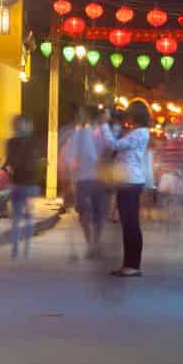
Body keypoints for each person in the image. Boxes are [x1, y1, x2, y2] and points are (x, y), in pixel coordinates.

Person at [108, 101, 152, 278]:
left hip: (130, 181)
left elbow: (114, 145)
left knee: (130, 224)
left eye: (128, 114)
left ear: (135, 115)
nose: (127, 117)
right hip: (129, 180)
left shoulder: (139, 133)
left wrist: (106, 125)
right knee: (128, 224)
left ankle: (132, 265)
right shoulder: (137, 132)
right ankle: (129, 264)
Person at [60, 106, 111, 258]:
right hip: (85, 178)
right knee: (84, 213)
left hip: (99, 179)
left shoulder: (105, 134)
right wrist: (71, 171)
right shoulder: (80, 134)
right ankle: (91, 244)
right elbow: (69, 156)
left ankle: (95, 243)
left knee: (99, 214)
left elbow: (113, 150)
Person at [3, 116, 40, 259]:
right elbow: (35, 163)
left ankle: (15, 249)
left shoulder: (11, 142)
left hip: (17, 185)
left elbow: (8, 164)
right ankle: (27, 248)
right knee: (29, 216)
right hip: (28, 185)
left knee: (17, 217)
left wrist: (10, 171)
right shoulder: (32, 142)